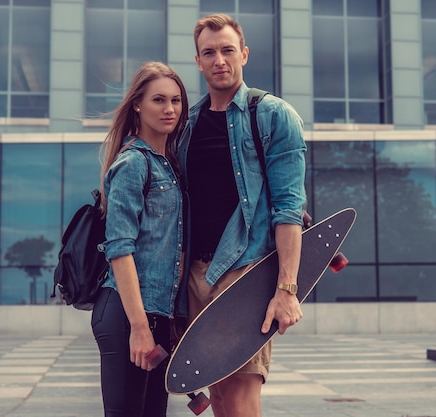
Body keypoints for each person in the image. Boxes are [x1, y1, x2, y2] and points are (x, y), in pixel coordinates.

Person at [177, 13, 307, 417]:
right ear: (198, 61)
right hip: (195, 274)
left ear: (244, 54)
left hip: (245, 269)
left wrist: (286, 289)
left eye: (228, 50)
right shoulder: (186, 124)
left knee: (240, 394)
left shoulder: (272, 115)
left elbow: (289, 207)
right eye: (209, 52)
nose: (219, 60)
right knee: (217, 394)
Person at [92, 61, 189, 417]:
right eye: (159, 100)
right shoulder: (133, 163)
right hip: (126, 312)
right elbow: (120, 249)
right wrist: (138, 326)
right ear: (137, 104)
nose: (169, 109)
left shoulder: (170, 165)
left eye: (176, 101)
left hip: (158, 315)